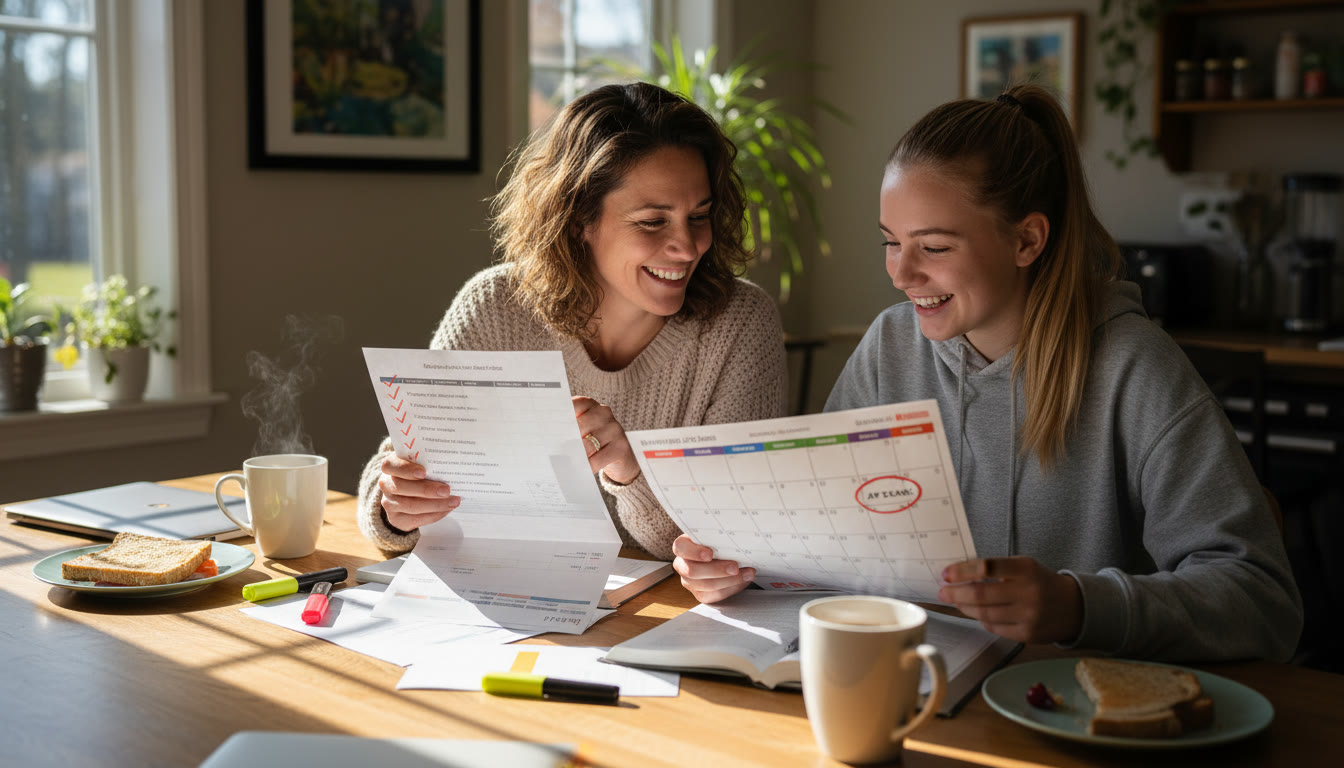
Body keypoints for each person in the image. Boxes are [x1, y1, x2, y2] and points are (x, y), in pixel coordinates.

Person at [673, 84, 1303, 662]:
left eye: (935, 247)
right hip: (913, 692)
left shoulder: (1133, 368)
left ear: (1027, 241)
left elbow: (1264, 601)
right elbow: (825, 541)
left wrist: (1079, 606)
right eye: (891, 241)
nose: (900, 273)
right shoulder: (891, 345)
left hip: (1059, 716)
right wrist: (742, 563)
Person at [357, 82, 788, 562]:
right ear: (581, 218)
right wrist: (396, 508)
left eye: (700, 216)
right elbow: (397, 470)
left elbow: (732, 541)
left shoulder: (741, 326)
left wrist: (629, 471)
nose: (687, 247)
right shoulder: (494, 307)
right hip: (504, 602)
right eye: (652, 222)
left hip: (667, 620)